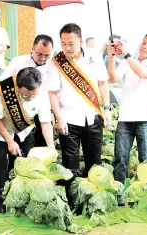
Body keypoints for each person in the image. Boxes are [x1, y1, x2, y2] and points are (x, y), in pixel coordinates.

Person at [48, 23, 111, 180]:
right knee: (70, 168)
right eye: (63, 44)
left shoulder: (94, 56)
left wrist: (107, 109)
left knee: (94, 165)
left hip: (93, 118)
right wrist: (59, 118)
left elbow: (103, 83)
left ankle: (92, 202)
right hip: (68, 121)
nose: (67, 48)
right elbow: (52, 93)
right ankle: (73, 202)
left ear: (81, 41)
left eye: (71, 44)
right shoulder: (57, 62)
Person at [0, 67, 54, 213]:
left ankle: (19, 198)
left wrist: (51, 146)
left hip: (24, 129)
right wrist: (9, 141)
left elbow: (45, 123)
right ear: (17, 87)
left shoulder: (41, 93)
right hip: (1, 130)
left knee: (23, 163)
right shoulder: (5, 89)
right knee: (0, 164)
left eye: (33, 95)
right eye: (25, 95)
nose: (30, 98)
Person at [107, 33, 147, 206]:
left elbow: (143, 73)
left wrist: (128, 55)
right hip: (125, 119)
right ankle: (118, 195)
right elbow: (113, 78)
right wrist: (111, 58)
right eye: (144, 43)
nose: (145, 47)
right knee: (120, 159)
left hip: (146, 119)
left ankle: (143, 196)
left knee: (145, 160)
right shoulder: (126, 62)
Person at [0, 34, 54, 147]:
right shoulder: (17, 62)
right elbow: (3, 84)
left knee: (38, 147)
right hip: (16, 114)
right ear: (32, 48)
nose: (43, 58)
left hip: (40, 111)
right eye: (39, 54)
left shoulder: (52, 67)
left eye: (47, 55)